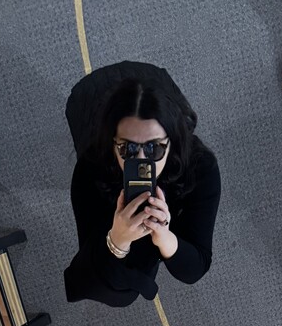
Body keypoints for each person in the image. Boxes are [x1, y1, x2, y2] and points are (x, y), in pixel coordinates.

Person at [64, 68, 220, 307]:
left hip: (148, 95)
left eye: (154, 149)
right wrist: (117, 240)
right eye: (127, 149)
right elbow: (86, 270)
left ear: (172, 142)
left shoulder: (200, 167)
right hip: (93, 109)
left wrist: (164, 236)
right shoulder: (90, 168)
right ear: (113, 143)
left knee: (130, 280)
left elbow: (195, 268)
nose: (140, 161)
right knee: (123, 292)